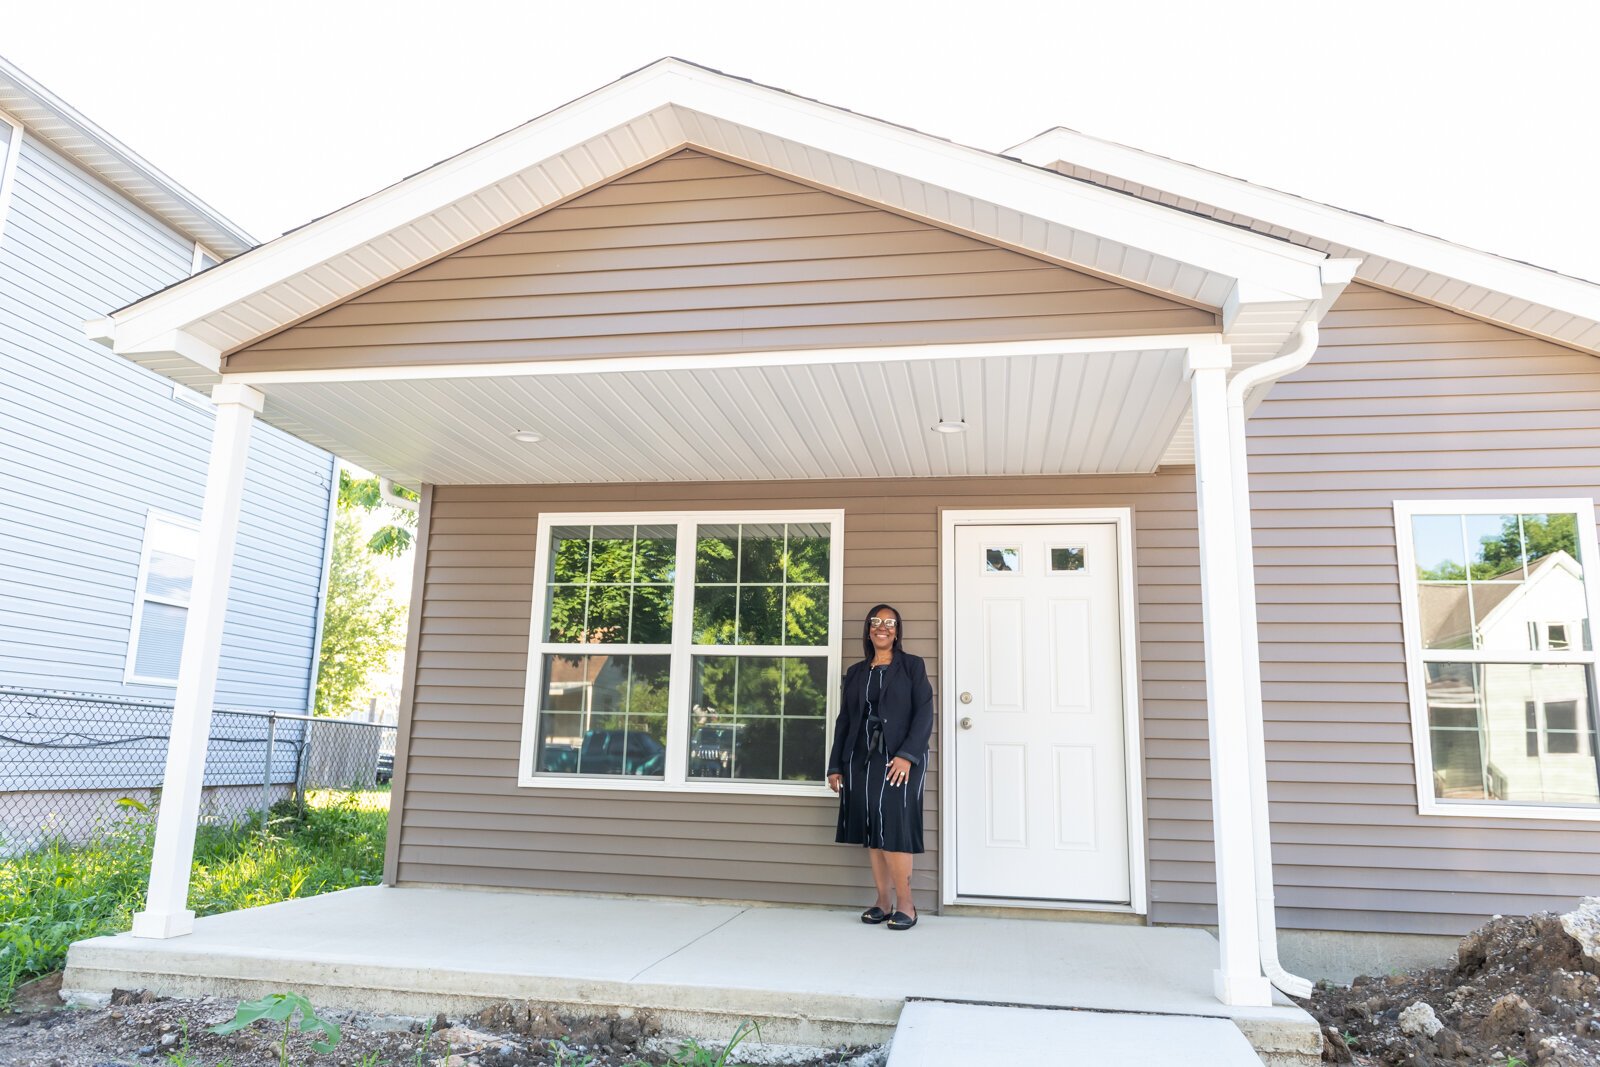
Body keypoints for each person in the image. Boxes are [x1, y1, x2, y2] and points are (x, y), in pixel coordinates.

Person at [827, 604, 933, 931]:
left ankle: (907, 904)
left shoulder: (912, 667)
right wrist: (836, 765)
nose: (882, 627)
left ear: (897, 631)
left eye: (889, 623)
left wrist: (907, 755)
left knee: (895, 827)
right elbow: (845, 720)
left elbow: (925, 713)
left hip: (900, 757)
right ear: (869, 629)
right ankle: (882, 902)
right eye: (876, 622)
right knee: (873, 829)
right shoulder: (858, 672)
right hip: (861, 757)